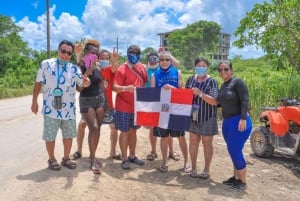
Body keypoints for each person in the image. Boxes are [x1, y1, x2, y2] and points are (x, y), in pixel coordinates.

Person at [31, 40, 90, 171]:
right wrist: (34, 101)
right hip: (51, 108)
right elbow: (38, 83)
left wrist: (86, 83)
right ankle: (51, 159)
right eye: (63, 51)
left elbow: (82, 84)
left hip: (68, 109)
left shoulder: (74, 69)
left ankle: (66, 158)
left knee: (68, 135)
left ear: (71, 55)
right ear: (58, 50)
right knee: (50, 135)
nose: (65, 55)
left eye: (69, 53)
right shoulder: (46, 64)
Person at [151, 51, 190, 173]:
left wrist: (173, 89)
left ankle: (186, 161)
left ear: (170, 61)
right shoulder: (154, 75)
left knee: (181, 137)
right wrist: (161, 90)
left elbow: (182, 90)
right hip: (162, 110)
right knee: (164, 137)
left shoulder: (177, 72)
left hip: (176, 110)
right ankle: (164, 162)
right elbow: (152, 95)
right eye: (161, 59)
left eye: (167, 60)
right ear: (158, 61)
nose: (164, 62)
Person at [216, 61, 252, 190]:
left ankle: (242, 181)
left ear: (231, 70)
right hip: (227, 122)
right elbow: (219, 103)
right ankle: (236, 177)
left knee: (235, 150)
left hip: (239, 121)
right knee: (232, 150)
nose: (223, 72)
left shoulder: (237, 82)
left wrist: (242, 118)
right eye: (220, 70)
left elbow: (245, 100)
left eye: (225, 69)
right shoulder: (224, 85)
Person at [73, 39, 106, 174]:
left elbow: (100, 83)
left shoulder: (99, 67)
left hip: (100, 100)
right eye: (91, 52)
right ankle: (92, 161)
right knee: (93, 128)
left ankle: (93, 156)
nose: (94, 55)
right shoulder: (79, 67)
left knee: (97, 130)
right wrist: (89, 70)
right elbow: (79, 88)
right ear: (86, 52)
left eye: (96, 53)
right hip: (86, 100)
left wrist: (106, 101)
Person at [113, 45, 147, 170]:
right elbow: (115, 87)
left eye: (137, 53)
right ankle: (124, 158)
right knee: (124, 132)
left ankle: (132, 155)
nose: (134, 55)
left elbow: (145, 84)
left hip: (136, 107)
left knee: (134, 131)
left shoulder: (142, 68)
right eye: (131, 52)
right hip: (123, 106)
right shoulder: (122, 68)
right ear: (127, 54)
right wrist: (126, 88)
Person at [185, 57, 218, 179]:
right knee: (193, 142)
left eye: (204, 66)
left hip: (207, 116)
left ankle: (206, 169)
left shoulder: (212, 81)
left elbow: (214, 101)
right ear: (195, 67)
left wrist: (200, 94)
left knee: (207, 143)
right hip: (194, 114)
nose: (201, 68)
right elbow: (185, 96)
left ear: (207, 67)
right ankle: (193, 168)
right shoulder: (190, 79)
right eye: (198, 65)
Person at [145, 51, 180, 161]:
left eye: (155, 58)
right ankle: (153, 151)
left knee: (168, 128)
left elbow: (176, 63)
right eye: (161, 60)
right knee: (152, 129)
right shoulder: (146, 71)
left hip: (170, 104)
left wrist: (166, 52)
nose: (153, 60)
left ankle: (171, 151)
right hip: (155, 103)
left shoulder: (173, 70)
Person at [99, 48, 122, 160]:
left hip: (108, 105)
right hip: (95, 106)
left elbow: (114, 68)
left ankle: (112, 152)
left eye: (106, 58)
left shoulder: (109, 69)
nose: (104, 60)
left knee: (114, 128)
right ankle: (91, 154)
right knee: (91, 128)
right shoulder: (94, 69)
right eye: (102, 58)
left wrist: (114, 60)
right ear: (98, 59)